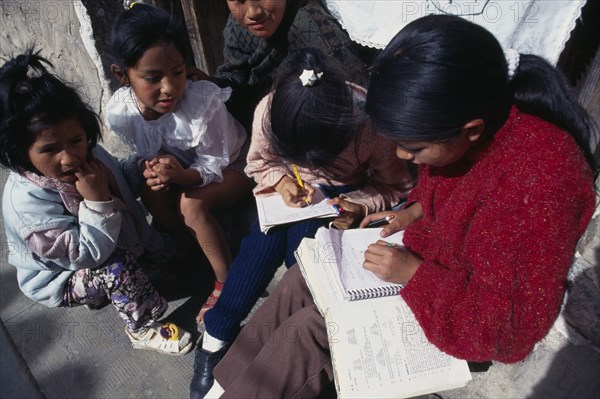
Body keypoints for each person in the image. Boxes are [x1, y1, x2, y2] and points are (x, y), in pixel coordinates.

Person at [203, 14, 599, 398]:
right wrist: (414, 210)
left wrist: (413, 274)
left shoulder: (540, 186)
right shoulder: (466, 120)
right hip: (420, 269)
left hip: (459, 319)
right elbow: (452, 188)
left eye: (413, 148)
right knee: (302, 278)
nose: (402, 155)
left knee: (311, 331)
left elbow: (506, 332)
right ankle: (226, 387)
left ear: (471, 130)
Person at [189, 48, 413, 398]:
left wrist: (357, 204)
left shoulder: (369, 126)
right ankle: (215, 339)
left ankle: (273, 352)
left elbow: (395, 187)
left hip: (340, 201)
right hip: (286, 194)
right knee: (263, 243)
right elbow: (257, 163)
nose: (311, 165)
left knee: (304, 257)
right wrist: (281, 180)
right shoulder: (270, 110)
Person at [0, 49, 194, 356]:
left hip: (106, 244)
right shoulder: (27, 206)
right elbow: (84, 257)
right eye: (49, 149)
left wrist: (142, 168)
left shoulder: (88, 156)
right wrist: (97, 202)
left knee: (157, 250)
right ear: (21, 153)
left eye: (76, 141)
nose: (69, 157)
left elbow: (118, 178)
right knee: (115, 268)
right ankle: (141, 328)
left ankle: (128, 277)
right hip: (61, 277)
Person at [106, 3, 252, 310]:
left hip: (235, 165)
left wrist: (180, 176)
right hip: (188, 168)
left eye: (177, 72)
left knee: (192, 202)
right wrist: (156, 171)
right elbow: (152, 151)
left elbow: (214, 162)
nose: (170, 87)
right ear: (122, 75)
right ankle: (187, 248)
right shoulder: (123, 111)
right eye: (153, 78)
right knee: (152, 192)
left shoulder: (200, 102)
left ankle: (227, 281)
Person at [207, 0, 373, 132]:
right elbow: (235, 74)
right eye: (239, 0)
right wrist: (212, 84)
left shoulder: (313, 29)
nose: (253, 12)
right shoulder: (237, 27)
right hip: (256, 131)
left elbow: (358, 99)